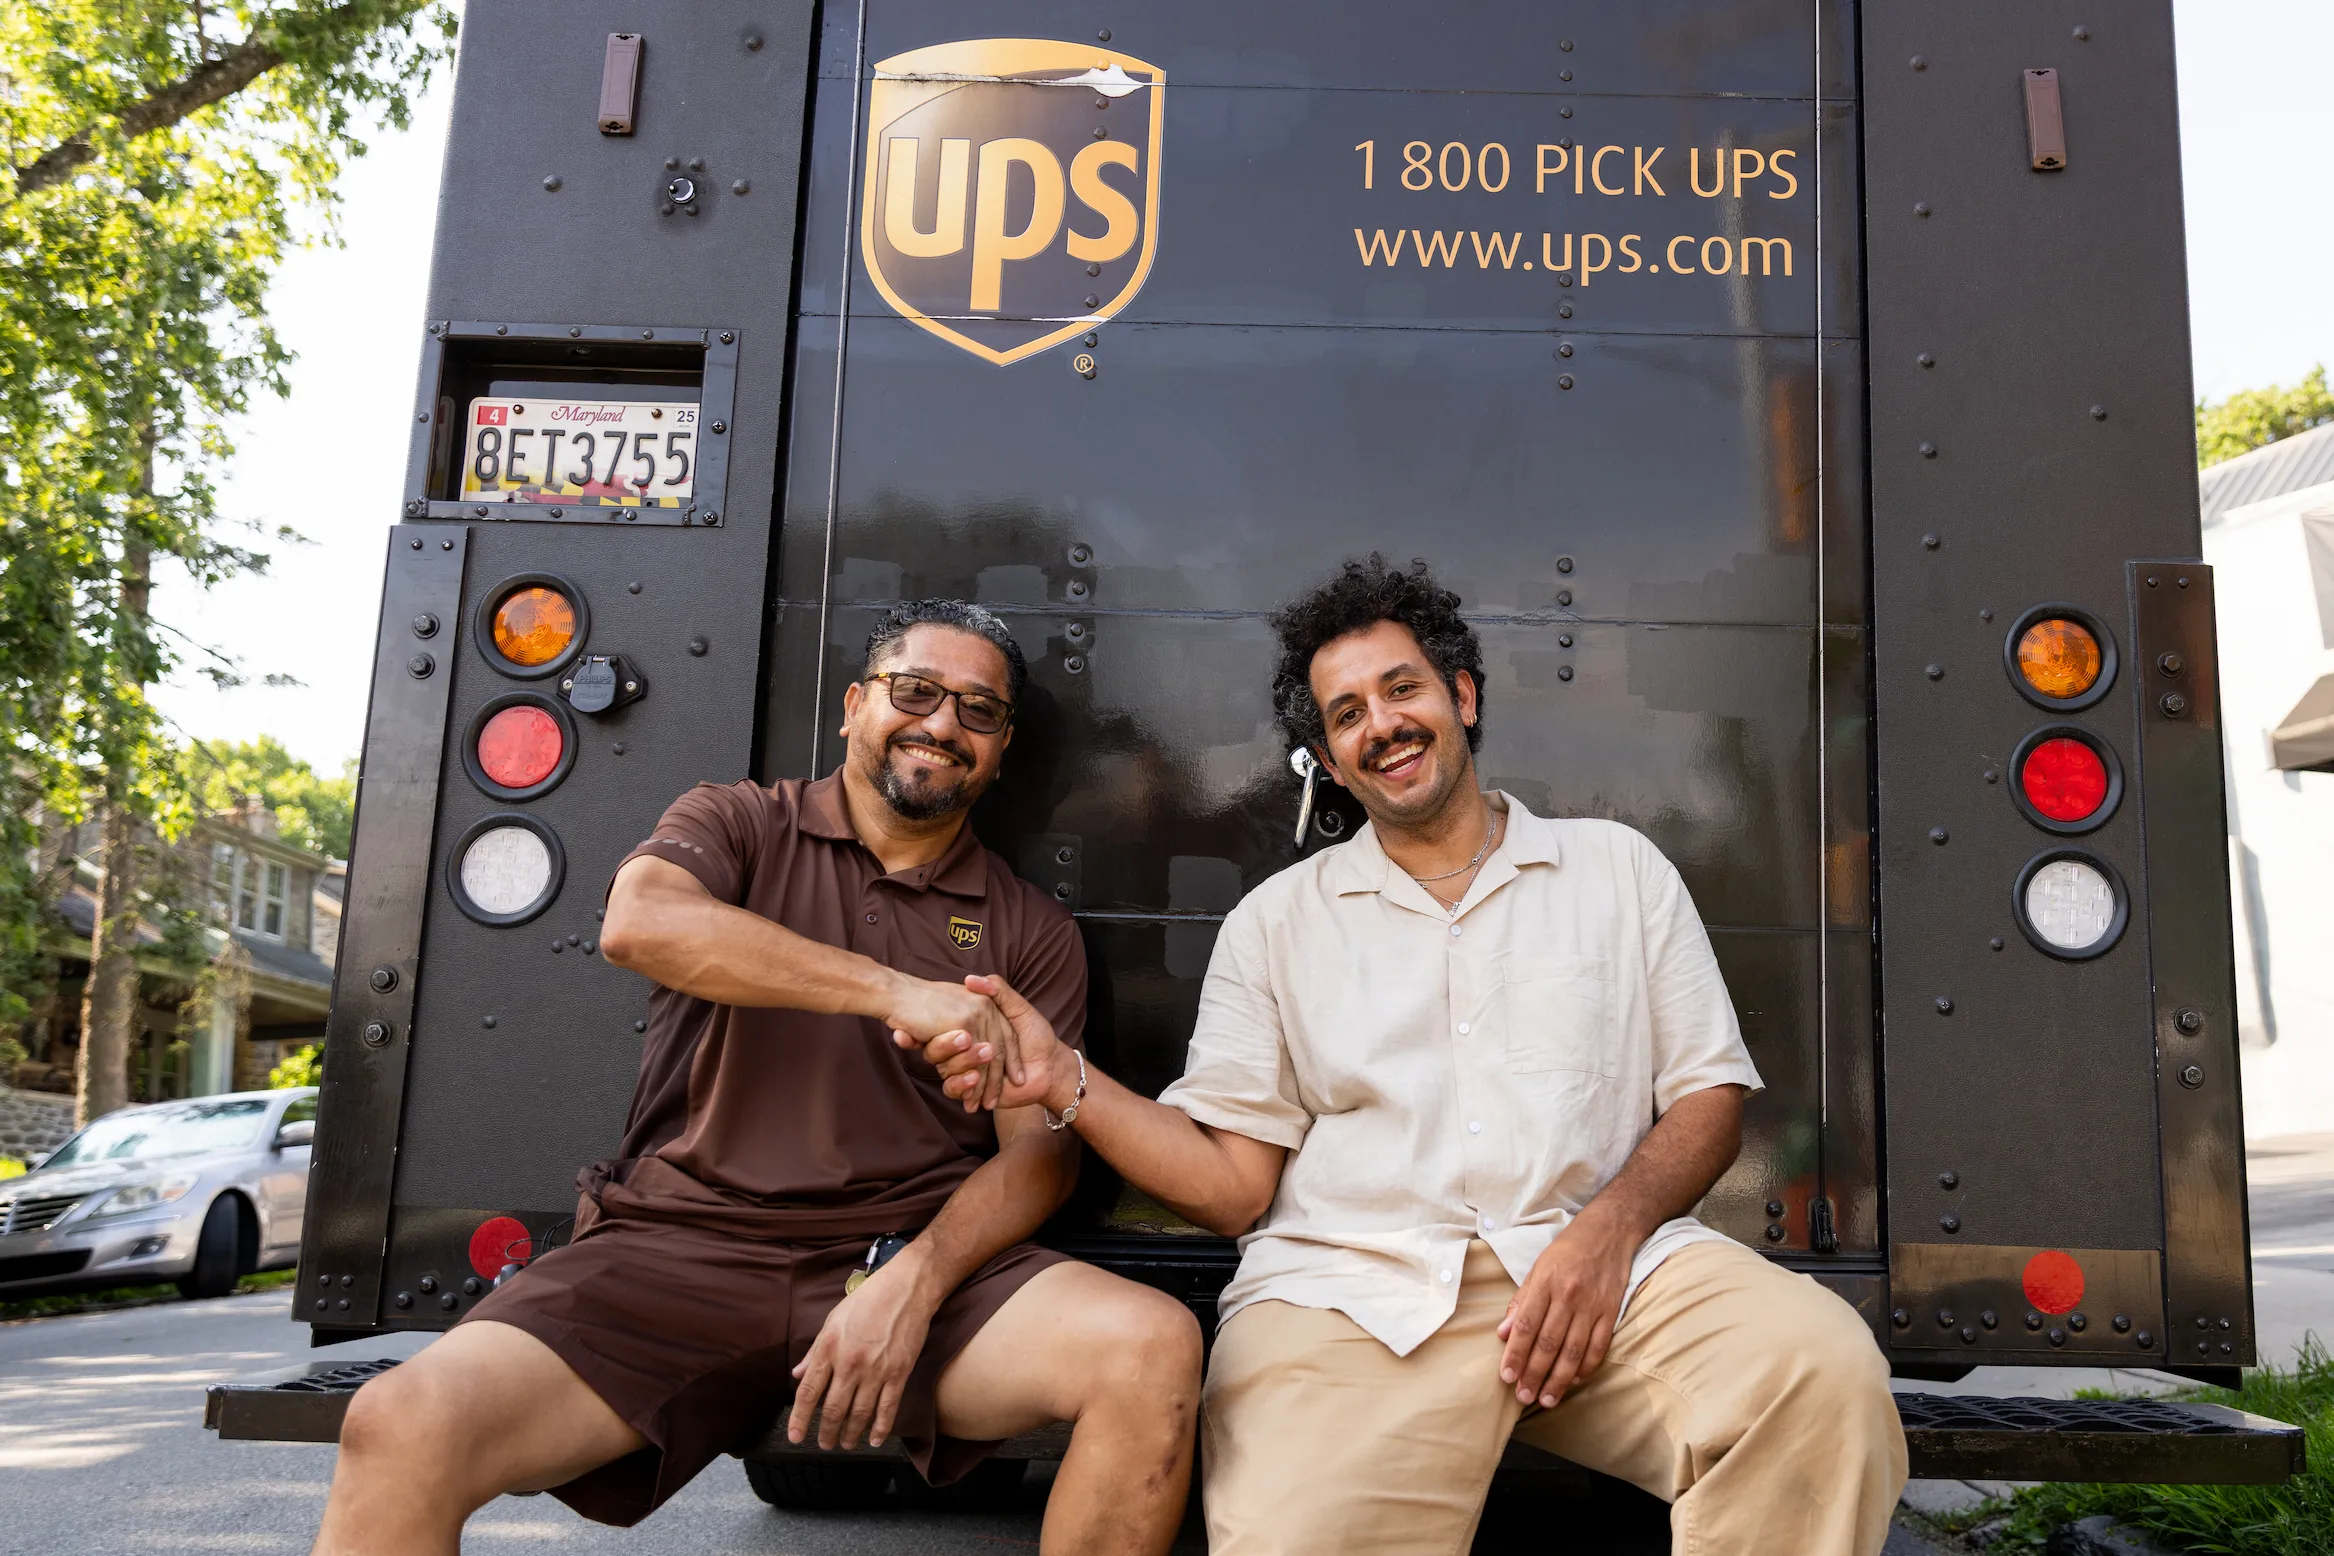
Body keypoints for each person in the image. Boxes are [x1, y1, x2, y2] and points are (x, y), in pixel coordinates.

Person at [912, 557, 1909, 1554]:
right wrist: (1065, 1083)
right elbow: (1227, 1187)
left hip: (1603, 1275)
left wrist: (1608, 1235)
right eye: (1346, 714)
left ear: (1461, 696)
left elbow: (1708, 1096)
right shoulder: (1276, 925)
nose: (1381, 723)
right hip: (1350, 1300)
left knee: (1822, 1372)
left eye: (1401, 688)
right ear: (1331, 759)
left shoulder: (1619, 870)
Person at [314, 600, 1201, 1556]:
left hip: (896, 1263)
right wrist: (900, 993)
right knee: (398, 1424)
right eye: (917, 692)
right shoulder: (737, 821)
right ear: (856, 706)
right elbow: (639, 927)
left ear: (1001, 747)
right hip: (676, 1255)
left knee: (1149, 1348)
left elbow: (1041, 1163)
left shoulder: (1030, 928)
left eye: (978, 711)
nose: (943, 724)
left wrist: (914, 1281)